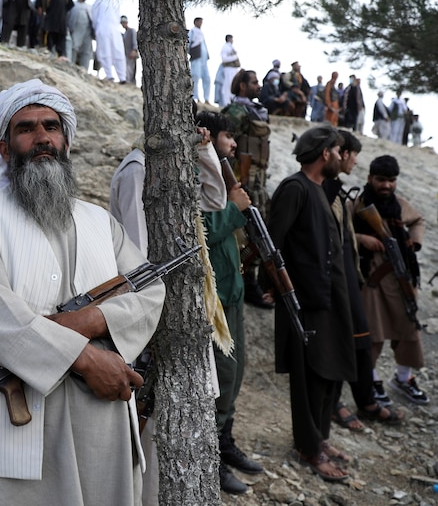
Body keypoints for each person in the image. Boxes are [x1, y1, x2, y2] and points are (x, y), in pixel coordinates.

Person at [0, 79, 165, 505]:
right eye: (26, 128)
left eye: (52, 126)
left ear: (66, 141)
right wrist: (86, 358)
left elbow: (150, 290)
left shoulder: (101, 222)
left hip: (101, 421)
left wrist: (91, 319)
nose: (42, 137)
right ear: (5, 148)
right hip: (18, 423)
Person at [109, 118, 227, 506]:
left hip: (183, 306)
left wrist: (205, 152)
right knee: (151, 421)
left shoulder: (174, 168)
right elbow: (138, 257)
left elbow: (215, 199)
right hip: (155, 313)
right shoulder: (137, 170)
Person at [268, 125, 356, 483]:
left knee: (329, 370)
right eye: (337, 151)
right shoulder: (295, 188)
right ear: (325, 154)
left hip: (329, 297)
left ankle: (319, 437)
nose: (341, 156)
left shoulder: (320, 190)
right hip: (303, 300)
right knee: (309, 376)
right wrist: (273, 287)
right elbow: (272, 244)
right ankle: (308, 447)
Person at [198, 112, 265, 495]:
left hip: (233, 295)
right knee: (221, 381)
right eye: (227, 137)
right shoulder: (197, 178)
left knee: (235, 378)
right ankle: (213, 460)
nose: (233, 144)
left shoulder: (223, 179)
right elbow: (199, 231)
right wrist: (234, 207)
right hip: (214, 302)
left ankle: (226, 444)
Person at [325, 132, 405, 431]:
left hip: (351, 278)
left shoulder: (338, 190)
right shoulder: (336, 195)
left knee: (361, 341)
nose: (355, 160)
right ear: (339, 154)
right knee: (348, 341)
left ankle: (366, 400)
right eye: (351, 153)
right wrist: (361, 239)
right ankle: (338, 404)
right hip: (344, 280)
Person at [352, 155, 429, 405]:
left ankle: (403, 378)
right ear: (370, 179)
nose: (386, 185)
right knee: (373, 333)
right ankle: (371, 380)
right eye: (381, 180)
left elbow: (417, 221)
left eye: (391, 181)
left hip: (400, 276)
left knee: (409, 329)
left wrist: (413, 241)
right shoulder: (358, 203)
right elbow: (343, 231)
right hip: (372, 280)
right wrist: (362, 239)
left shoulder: (399, 205)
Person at [222, 69, 274, 309]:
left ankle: (251, 278)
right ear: (242, 86)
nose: (258, 86)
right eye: (254, 83)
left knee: (261, 231)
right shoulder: (237, 111)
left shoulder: (258, 112)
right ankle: (245, 279)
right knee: (248, 233)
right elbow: (226, 148)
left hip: (259, 182)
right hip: (244, 182)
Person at [90, 0, 126, 82]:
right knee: (105, 52)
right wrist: (97, 30)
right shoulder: (98, 2)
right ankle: (109, 75)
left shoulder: (116, 1)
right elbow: (95, 17)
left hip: (115, 29)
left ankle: (122, 77)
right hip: (103, 29)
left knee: (118, 52)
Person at [67, 0, 93, 72]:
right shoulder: (73, 5)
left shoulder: (89, 7)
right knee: (74, 48)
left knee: (86, 52)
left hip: (87, 32)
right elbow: (68, 18)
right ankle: (70, 67)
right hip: (76, 30)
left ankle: (84, 70)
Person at [188, 17, 211, 104]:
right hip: (196, 58)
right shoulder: (192, 31)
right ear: (196, 22)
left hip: (204, 59)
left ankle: (207, 99)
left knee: (207, 78)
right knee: (195, 77)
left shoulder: (201, 33)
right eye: (200, 22)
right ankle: (195, 97)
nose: (201, 23)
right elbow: (188, 44)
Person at [219, 35, 240, 106]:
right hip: (228, 69)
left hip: (234, 69)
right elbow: (224, 59)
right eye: (231, 39)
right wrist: (234, 57)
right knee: (228, 86)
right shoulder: (225, 47)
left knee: (234, 86)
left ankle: (232, 103)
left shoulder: (231, 47)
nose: (232, 40)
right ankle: (226, 103)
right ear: (229, 39)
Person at [121, 15, 138, 85]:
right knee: (127, 70)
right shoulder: (124, 33)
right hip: (126, 55)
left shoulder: (132, 31)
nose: (123, 24)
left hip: (132, 54)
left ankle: (131, 84)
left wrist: (134, 50)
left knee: (131, 70)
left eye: (124, 22)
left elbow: (135, 41)